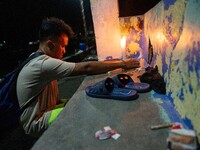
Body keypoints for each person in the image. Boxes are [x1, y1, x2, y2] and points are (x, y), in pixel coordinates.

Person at [16, 17, 140, 137]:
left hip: (48, 109)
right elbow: (86, 67)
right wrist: (123, 64)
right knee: (82, 108)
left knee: (83, 97)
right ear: (50, 45)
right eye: (63, 46)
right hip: (37, 121)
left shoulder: (36, 58)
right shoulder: (43, 64)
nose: (64, 51)